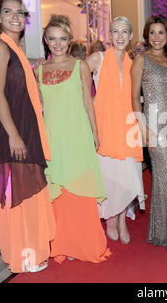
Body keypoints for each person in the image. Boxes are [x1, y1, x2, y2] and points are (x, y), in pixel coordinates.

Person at [0, 0, 55, 273]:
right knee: (16, 199)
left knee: (28, 196)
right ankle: (21, 255)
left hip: (27, 131)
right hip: (12, 134)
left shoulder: (18, 50)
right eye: (8, 12)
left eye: (20, 12)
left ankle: (32, 250)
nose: (15, 16)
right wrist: (14, 134)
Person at [35, 15, 110, 263]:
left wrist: (95, 133)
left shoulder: (81, 67)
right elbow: (41, 107)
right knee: (60, 192)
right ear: (46, 41)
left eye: (63, 39)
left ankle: (83, 243)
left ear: (69, 42)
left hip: (77, 136)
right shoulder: (39, 71)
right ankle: (62, 244)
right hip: (53, 138)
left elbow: (88, 102)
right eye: (52, 39)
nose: (58, 44)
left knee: (80, 190)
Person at [131, 15, 167, 251]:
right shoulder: (141, 60)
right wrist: (143, 128)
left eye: (161, 33)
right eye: (152, 33)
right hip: (154, 125)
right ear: (147, 35)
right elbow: (134, 97)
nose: (156, 37)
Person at [86, 16, 145, 244]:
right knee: (110, 176)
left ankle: (121, 219)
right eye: (115, 32)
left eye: (124, 32)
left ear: (130, 37)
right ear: (109, 36)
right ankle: (111, 218)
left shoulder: (135, 63)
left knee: (128, 175)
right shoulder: (97, 58)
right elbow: (76, 78)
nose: (120, 36)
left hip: (129, 128)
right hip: (106, 128)